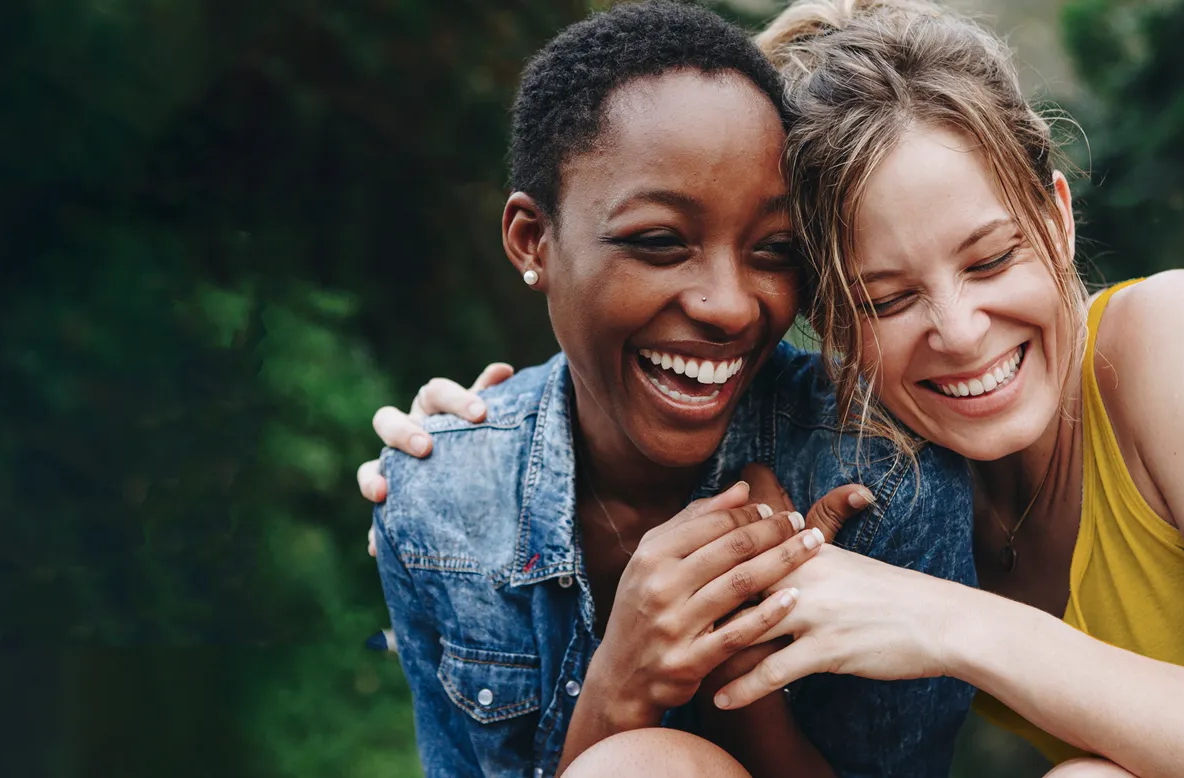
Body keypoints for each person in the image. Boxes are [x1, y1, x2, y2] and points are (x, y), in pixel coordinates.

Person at [374, 1, 1184, 775]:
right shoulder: (899, 471)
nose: (960, 330)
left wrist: (949, 621)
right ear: (826, 321)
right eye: (887, 298)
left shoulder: (1177, 339)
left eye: (990, 260)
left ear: (1057, 217)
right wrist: (481, 449)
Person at [367, 3, 976, 777]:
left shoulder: (880, 474)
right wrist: (620, 687)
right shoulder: (438, 503)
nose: (728, 305)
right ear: (533, 241)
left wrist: (744, 674)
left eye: (775, 250)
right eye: (659, 242)